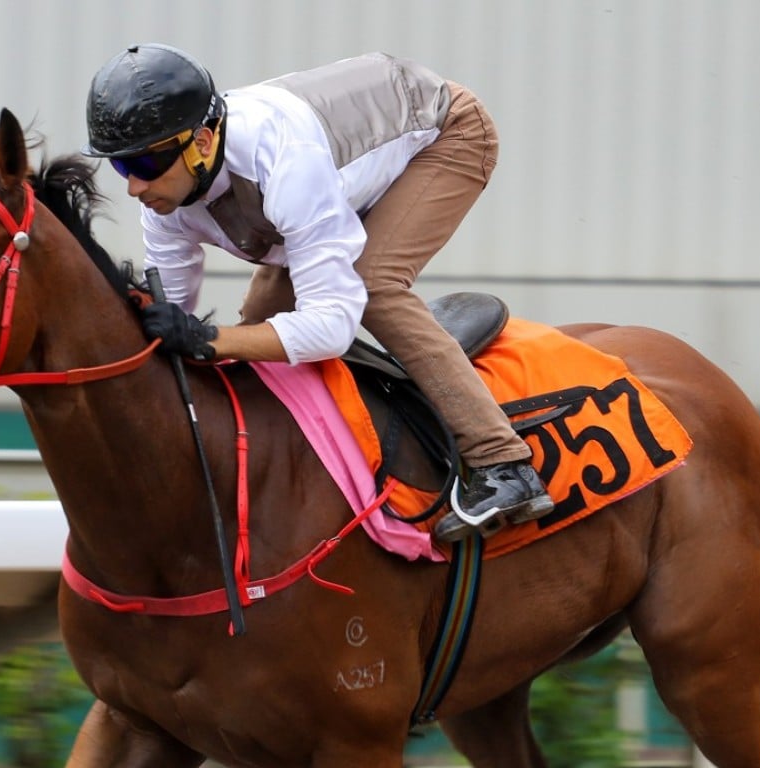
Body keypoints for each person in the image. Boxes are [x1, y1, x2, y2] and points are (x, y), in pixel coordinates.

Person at [82, 44, 553, 542]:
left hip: (445, 133)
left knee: (373, 285)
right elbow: (171, 321)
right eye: (120, 167)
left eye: (146, 163)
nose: (134, 186)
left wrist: (210, 339)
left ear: (202, 140)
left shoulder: (283, 160)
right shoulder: (165, 201)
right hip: (334, 175)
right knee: (261, 318)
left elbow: (331, 325)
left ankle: (502, 463)